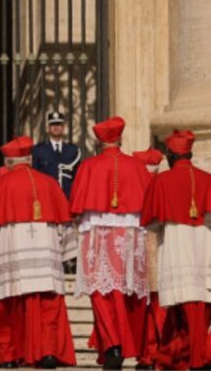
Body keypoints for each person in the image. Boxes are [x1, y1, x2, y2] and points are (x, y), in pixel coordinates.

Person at [0, 136, 77, 369]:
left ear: (9, 162)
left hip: (12, 251)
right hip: (46, 252)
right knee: (47, 307)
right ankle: (48, 353)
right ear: (30, 159)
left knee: (12, 307)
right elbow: (64, 224)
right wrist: (63, 253)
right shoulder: (50, 183)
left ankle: (9, 355)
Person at [68, 116, 151, 369]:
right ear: (120, 138)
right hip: (130, 236)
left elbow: (76, 207)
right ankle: (128, 345)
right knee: (126, 293)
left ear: (99, 141)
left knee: (100, 291)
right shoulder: (136, 167)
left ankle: (112, 344)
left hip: (97, 235)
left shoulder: (89, 166)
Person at [141, 130, 211, 370]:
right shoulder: (207, 178)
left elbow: (151, 220)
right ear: (190, 154)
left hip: (176, 244)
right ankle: (192, 354)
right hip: (203, 245)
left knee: (184, 305)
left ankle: (194, 357)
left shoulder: (161, 181)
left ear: (171, 155)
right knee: (201, 302)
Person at [131, 147, 165, 369]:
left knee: (145, 307)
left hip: (144, 250)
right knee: (159, 306)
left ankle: (147, 354)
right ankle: (156, 352)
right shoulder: (163, 184)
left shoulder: (138, 185)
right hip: (161, 250)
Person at [32, 111, 81, 198]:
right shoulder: (38, 150)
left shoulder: (72, 150)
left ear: (63, 127)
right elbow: (34, 176)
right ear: (48, 128)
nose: (55, 127)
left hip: (67, 197)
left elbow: (78, 177)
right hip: (46, 196)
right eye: (53, 124)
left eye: (58, 124)